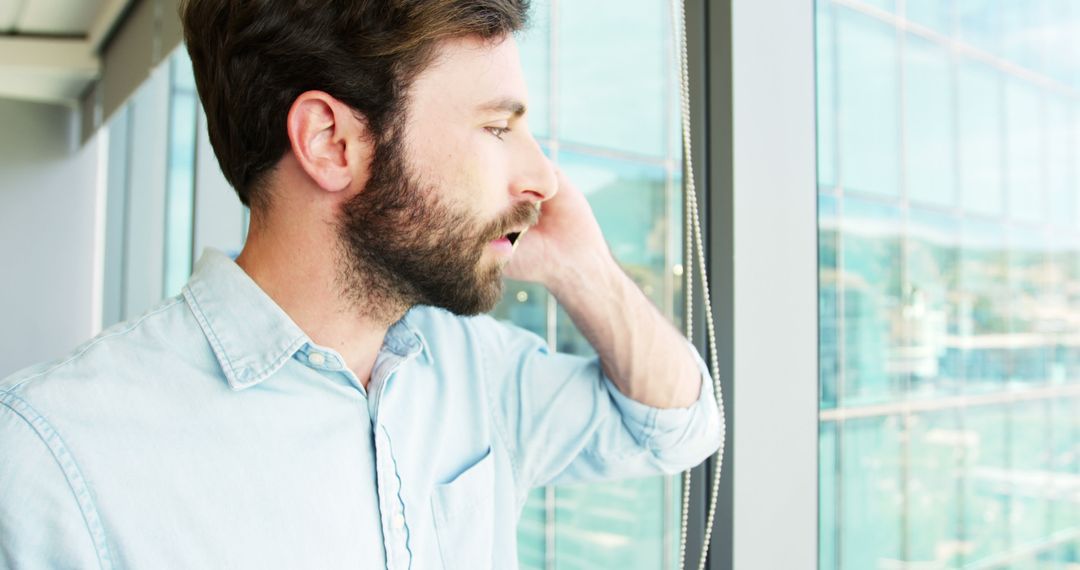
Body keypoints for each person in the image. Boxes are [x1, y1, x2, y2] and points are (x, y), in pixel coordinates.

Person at [0, 1, 723, 568]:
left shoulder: (473, 367)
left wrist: (582, 269)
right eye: (498, 129)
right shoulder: (51, 457)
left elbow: (676, 429)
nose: (544, 179)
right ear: (331, 143)